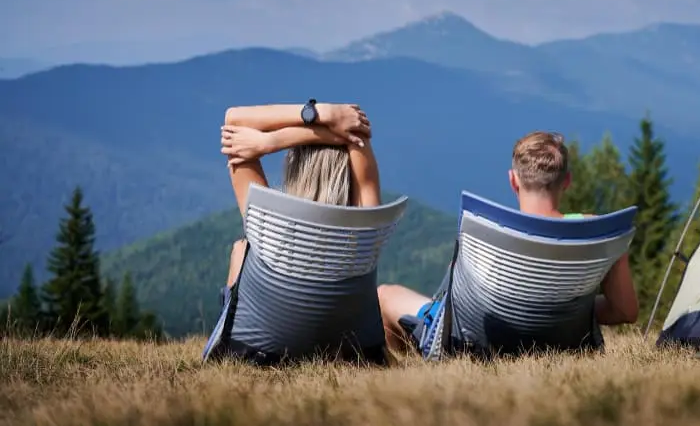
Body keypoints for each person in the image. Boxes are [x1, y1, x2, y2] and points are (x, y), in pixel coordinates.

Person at [376, 130, 640, 355]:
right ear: (567, 181)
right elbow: (625, 311)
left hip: (477, 348)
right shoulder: (599, 231)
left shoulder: (482, 232)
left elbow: (455, 301)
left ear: (513, 180)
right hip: (566, 344)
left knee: (385, 295)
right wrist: (564, 311)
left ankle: (410, 370)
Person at [218, 100, 381, 292]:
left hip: (267, 312)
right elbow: (357, 134)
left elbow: (234, 121)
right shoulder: (365, 231)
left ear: (293, 166)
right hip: (348, 313)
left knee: (241, 249)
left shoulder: (266, 228)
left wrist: (273, 140)